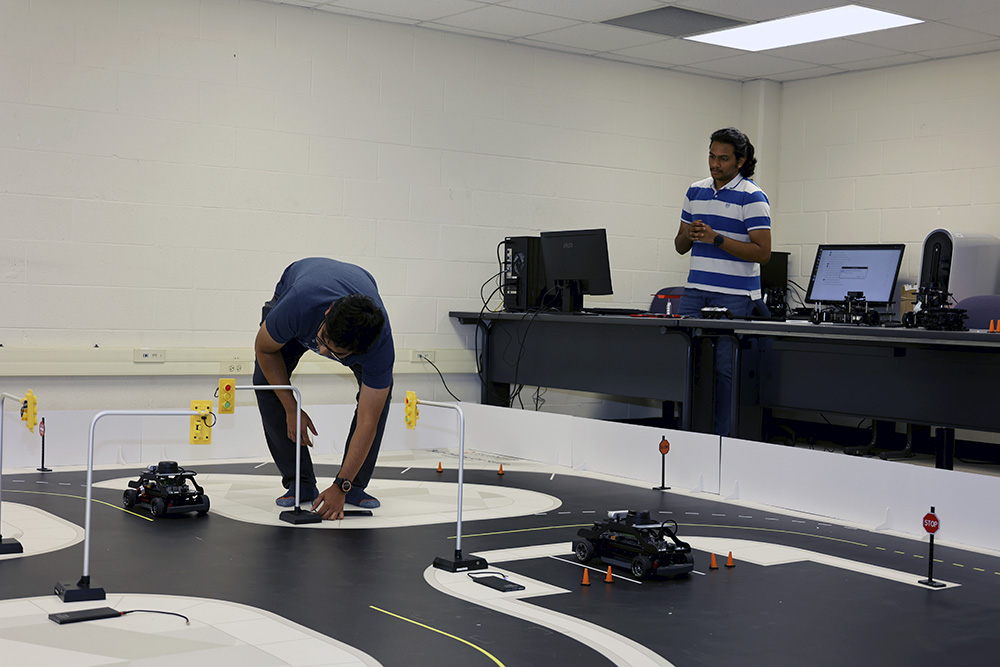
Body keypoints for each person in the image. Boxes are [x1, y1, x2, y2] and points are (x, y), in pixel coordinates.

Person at [254, 258, 393, 520]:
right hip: (301, 290)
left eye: (336, 353)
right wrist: (291, 407)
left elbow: (368, 422)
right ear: (328, 314)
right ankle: (301, 482)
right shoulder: (297, 305)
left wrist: (342, 484)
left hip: (351, 300)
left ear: (360, 352)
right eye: (322, 341)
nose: (323, 352)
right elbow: (264, 348)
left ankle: (353, 485)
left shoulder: (379, 347)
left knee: (379, 401)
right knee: (266, 382)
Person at [674, 127, 771, 436]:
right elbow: (679, 246)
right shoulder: (695, 191)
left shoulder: (752, 197)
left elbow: (763, 253)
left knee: (725, 372)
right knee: (690, 367)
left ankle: (724, 440)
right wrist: (688, 235)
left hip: (734, 296)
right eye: (712, 157)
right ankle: (690, 434)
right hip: (695, 293)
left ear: (740, 161)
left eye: (723, 159)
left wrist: (717, 239)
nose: (715, 164)